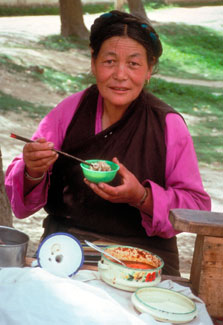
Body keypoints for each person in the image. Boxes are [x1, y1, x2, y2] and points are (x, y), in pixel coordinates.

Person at [5, 10, 211, 276]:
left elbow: (195, 207)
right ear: (93, 62)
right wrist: (33, 169)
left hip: (143, 257)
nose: (120, 74)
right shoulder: (68, 112)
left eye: (134, 64)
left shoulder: (168, 125)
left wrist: (142, 197)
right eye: (109, 61)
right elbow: (21, 200)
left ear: (150, 69)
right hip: (67, 249)